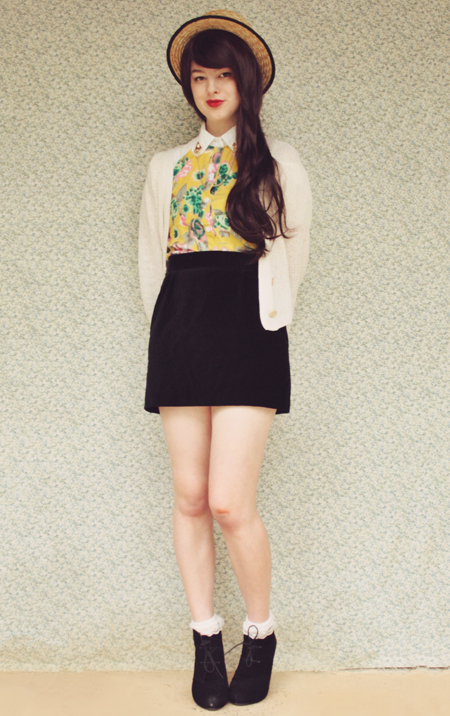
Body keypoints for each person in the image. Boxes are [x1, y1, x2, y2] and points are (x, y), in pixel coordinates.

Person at [138, 10, 312, 710]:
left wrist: (266, 322)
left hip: (248, 327)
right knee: (188, 495)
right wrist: (168, 327)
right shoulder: (165, 166)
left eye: (223, 75)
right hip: (180, 328)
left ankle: (260, 635)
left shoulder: (279, 162)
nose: (211, 88)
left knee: (228, 501)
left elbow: (293, 257)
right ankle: (205, 640)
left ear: (246, 83)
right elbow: (153, 260)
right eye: (199, 77)